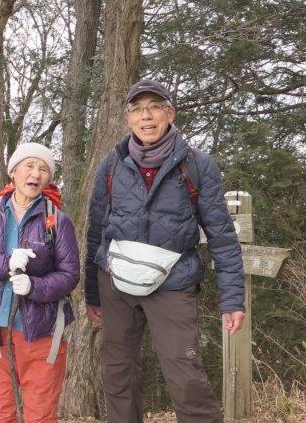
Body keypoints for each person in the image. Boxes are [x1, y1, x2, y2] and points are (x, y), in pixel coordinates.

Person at [85, 79, 246, 423]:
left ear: (170, 113)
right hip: (116, 283)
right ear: (128, 118)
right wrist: (92, 293)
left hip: (174, 281)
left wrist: (233, 299)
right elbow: (96, 230)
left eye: (154, 107)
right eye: (137, 109)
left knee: (184, 372)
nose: (146, 116)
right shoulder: (111, 165)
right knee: (118, 373)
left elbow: (221, 236)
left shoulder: (197, 165)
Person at [0, 143, 79, 423]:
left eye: (43, 169)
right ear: (13, 172)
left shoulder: (57, 221)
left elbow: (69, 275)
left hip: (41, 329)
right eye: (29, 166)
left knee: (41, 412)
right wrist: (6, 263)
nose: (36, 174)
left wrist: (33, 286)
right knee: (0, 410)